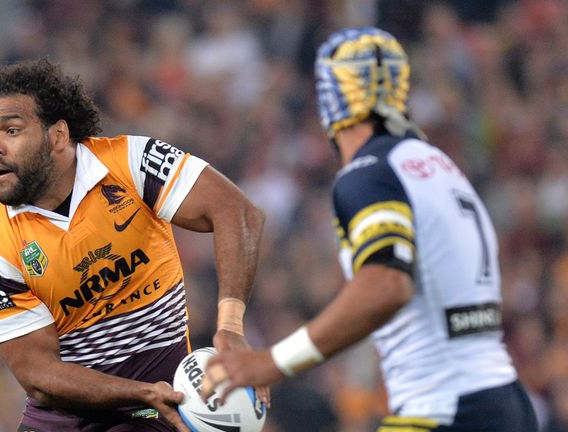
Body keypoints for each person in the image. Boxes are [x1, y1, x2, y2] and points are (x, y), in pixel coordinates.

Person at [202, 27, 538, 431]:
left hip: (446, 408)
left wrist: (272, 361)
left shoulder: (367, 175)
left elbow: (387, 284)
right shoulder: (440, 166)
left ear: (329, 99)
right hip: (503, 398)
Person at [0, 58, 265, 432]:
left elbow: (238, 212)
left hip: (164, 409)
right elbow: (39, 376)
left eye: (11, 130)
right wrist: (140, 393)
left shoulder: (131, 164)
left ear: (57, 136)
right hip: (69, 421)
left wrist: (231, 326)